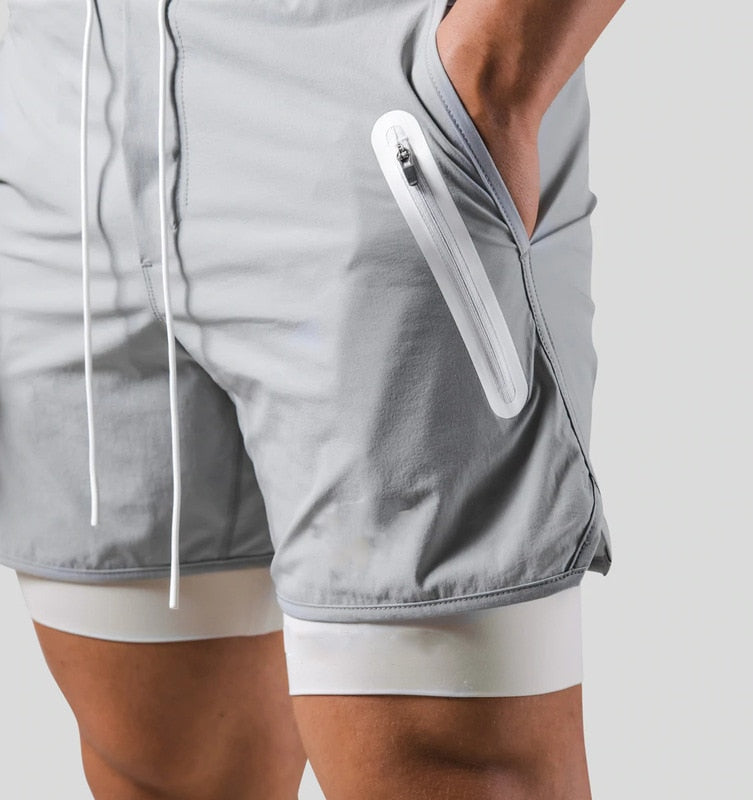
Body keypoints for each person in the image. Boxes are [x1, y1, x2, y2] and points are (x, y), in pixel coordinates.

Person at [0, 0, 622, 796]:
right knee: (156, 761)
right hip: (65, 101)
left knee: (445, 762)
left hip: (365, 93)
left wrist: (495, 76)